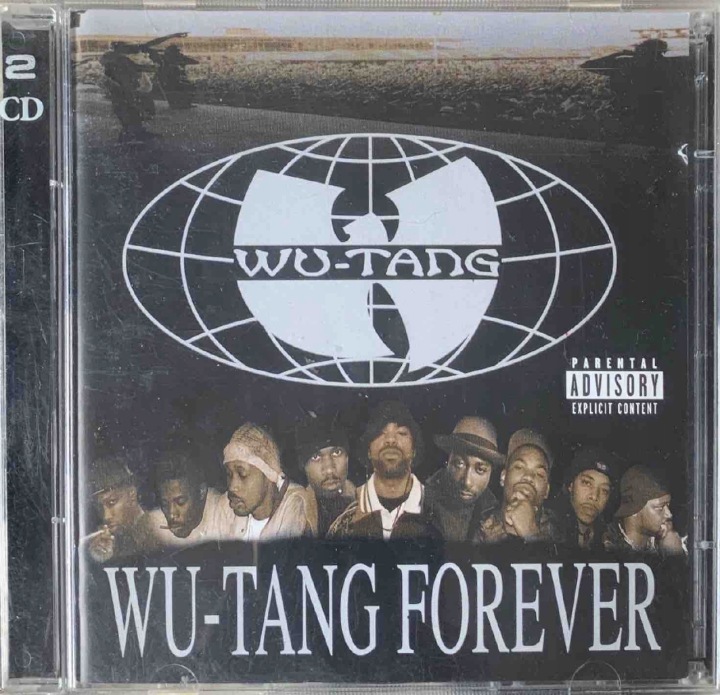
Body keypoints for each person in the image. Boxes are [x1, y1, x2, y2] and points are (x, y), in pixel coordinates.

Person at [328, 401, 437, 540]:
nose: (390, 440)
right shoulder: (345, 520)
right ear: (368, 450)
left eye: (401, 433)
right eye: (380, 433)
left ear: (415, 450)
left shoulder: (437, 511)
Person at [223, 422, 311, 541]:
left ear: (269, 474)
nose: (232, 486)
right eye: (229, 474)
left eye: (242, 474)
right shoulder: (227, 506)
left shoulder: (296, 507)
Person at [473, 428, 559, 544]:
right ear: (503, 477)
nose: (528, 477)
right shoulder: (477, 526)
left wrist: (531, 533)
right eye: (519, 467)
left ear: (546, 491)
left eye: (539, 474)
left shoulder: (562, 532)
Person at [425, 416, 503, 541]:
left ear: (491, 473)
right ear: (448, 461)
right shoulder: (419, 500)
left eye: (480, 469)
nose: (467, 482)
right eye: (459, 464)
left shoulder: (499, 516)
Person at [148, 454, 246, 547]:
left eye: (180, 502)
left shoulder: (231, 514)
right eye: (165, 504)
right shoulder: (154, 524)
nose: (171, 514)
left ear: (202, 492)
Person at [85, 457, 161, 562]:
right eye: (100, 507)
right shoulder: (110, 541)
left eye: (112, 502)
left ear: (132, 495)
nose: (106, 516)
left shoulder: (156, 525)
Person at [603, 464, 685, 556]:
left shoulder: (667, 540)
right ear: (633, 510)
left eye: (668, 506)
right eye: (660, 507)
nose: (669, 514)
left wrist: (675, 554)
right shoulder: (605, 548)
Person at [294, 417, 356, 537]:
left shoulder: (368, 506)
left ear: (347, 458)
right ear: (304, 466)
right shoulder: (293, 518)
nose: (329, 469)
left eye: (336, 453)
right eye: (316, 457)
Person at [554, 447, 618, 550]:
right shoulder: (548, 530)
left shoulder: (609, 541)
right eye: (587, 483)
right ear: (571, 485)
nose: (594, 496)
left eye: (604, 490)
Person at [150, 44, 199, 109]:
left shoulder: (173, 60)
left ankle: (184, 103)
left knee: (190, 86)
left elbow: (195, 62)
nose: (178, 53)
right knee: (188, 87)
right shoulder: (165, 62)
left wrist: (182, 59)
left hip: (172, 83)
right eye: (177, 52)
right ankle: (179, 104)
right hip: (169, 84)